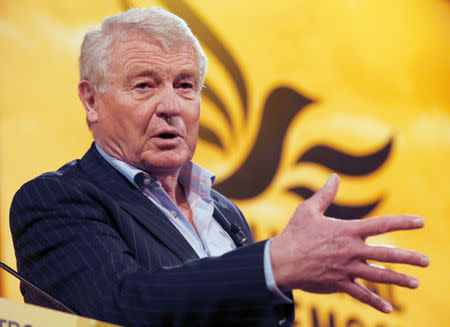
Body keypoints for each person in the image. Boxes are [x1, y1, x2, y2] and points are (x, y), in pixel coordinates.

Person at [9, 7, 429, 327]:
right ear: (91, 100)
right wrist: (274, 264)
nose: (171, 107)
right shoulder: (54, 199)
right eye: (144, 85)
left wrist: (278, 276)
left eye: (185, 85)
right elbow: (119, 306)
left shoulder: (225, 213)